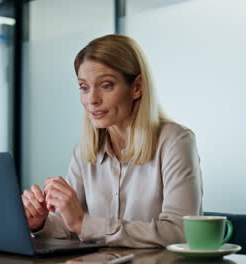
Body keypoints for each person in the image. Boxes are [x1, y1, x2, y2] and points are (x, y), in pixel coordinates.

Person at [21, 34, 203, 248]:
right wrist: (40, 223)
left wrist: (84, 224)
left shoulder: (175, 141)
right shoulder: (83, 152)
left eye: (106, 85)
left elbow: (179, 232)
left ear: (137, 87)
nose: (92, 99)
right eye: (84, 87)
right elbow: (71, 226)